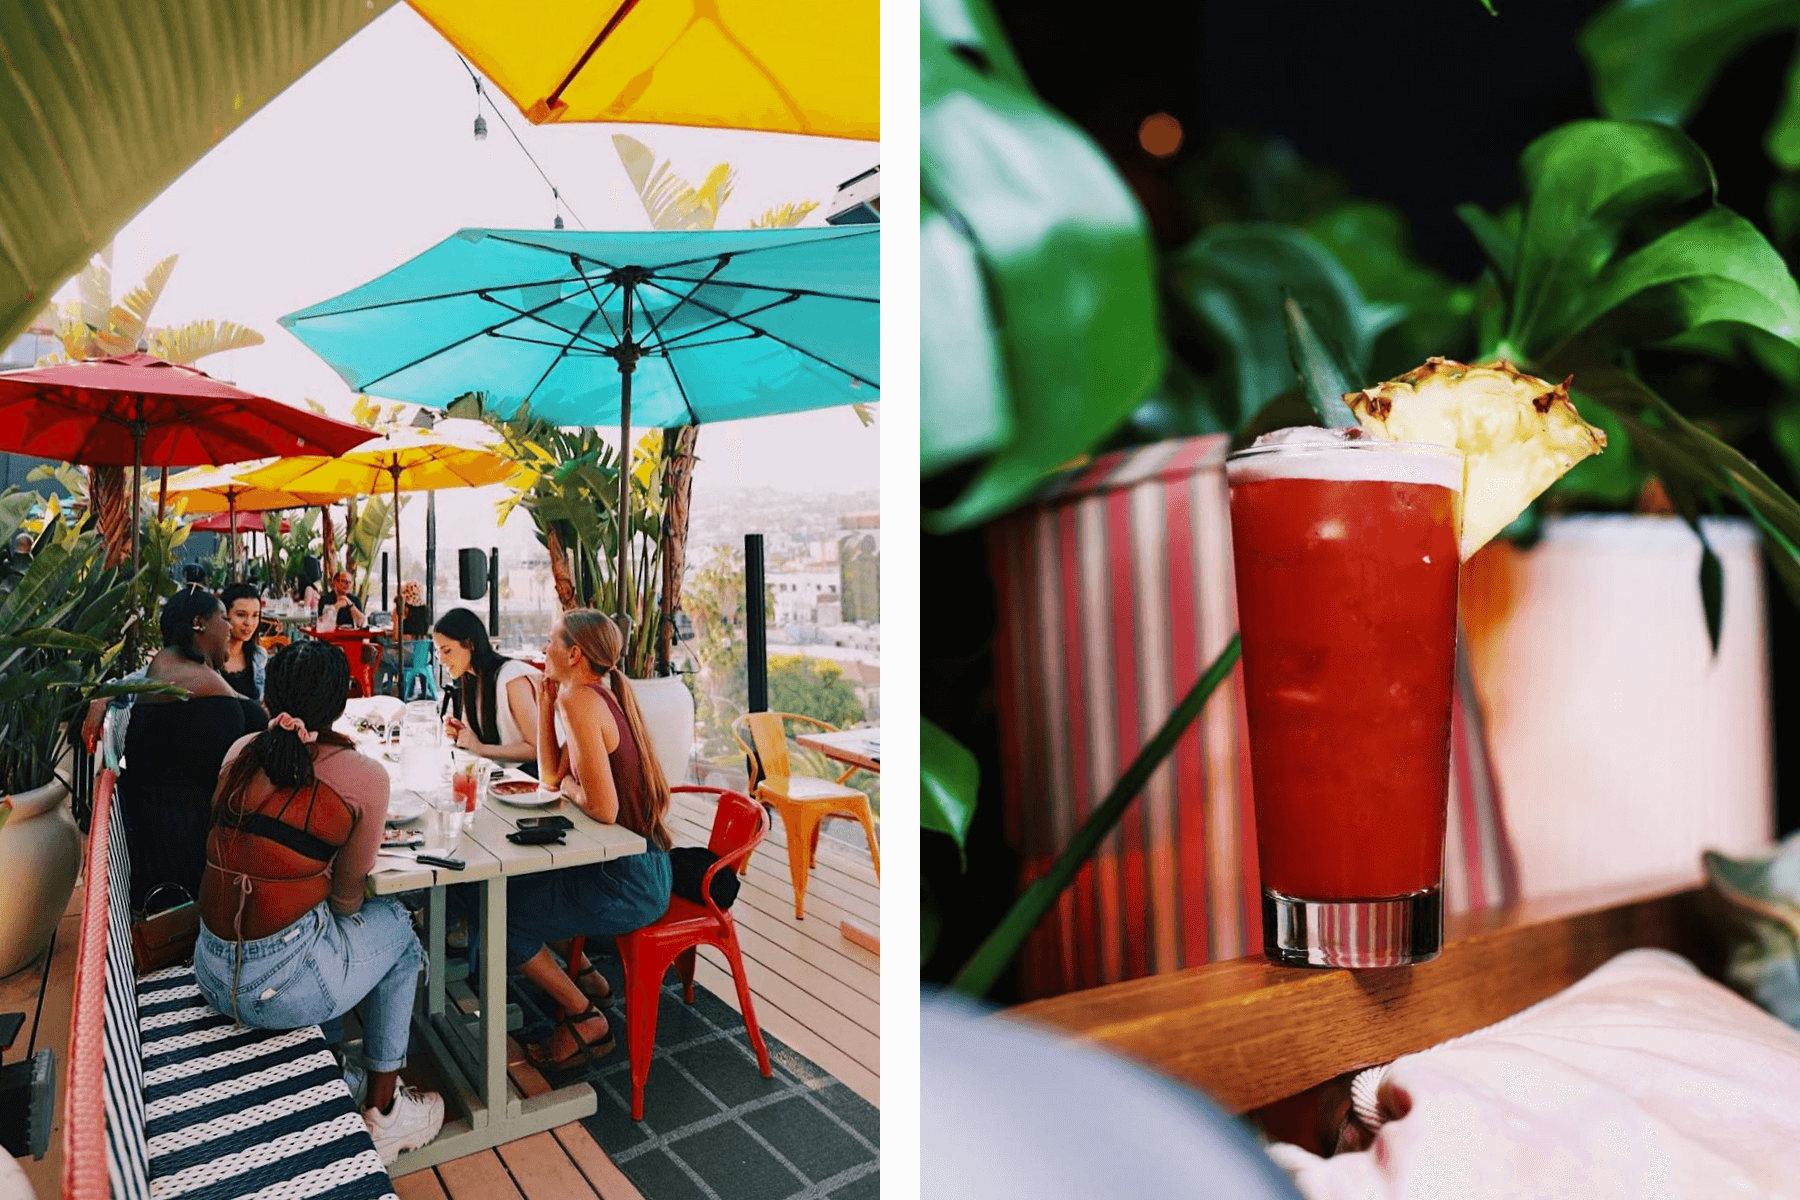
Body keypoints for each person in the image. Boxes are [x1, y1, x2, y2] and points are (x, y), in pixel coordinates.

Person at [193, 640, 445, 1163]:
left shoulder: (240, 753)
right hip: (280, 989)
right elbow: (350, 902)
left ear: (268, 695)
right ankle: (386, 1110)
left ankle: (332, 1063)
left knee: (315, 927)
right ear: (341, 703)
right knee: (397, 927)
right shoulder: (363, 776)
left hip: (212, 970)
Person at [496, 611, 672, 1069]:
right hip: (638, 865)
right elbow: (550, 774)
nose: (543, 648)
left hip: (629, 879)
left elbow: (603, 808)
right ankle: (590, 978)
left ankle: (584, 1016)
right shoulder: (585, 695)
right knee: (514, 893)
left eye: (550, 641)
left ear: (574, 654)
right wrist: (546, 701)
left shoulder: (582, 699)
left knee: (502, 918)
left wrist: (573, 790)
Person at [117, 586, 267, 909]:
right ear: (199, 623)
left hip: (167, 839)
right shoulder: (191, 684)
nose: (229, 628)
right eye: (224, 619)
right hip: (188, 863)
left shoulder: (171, 665)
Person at [435, 607, 542, 773]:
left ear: (469, 644)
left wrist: (480, 748)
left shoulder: (511, 678)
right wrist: (462, 734)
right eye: (437, 652)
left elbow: (537, 749)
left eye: (446, 650)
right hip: (503, 777)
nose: (441, 659)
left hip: (532, 779)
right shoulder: (471, 679)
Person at [218, 582, 267, 702]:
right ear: (224, 615)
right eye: (241, 615)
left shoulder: (259, 656)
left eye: (255, 615)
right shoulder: (208, 658)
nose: (249, 623)